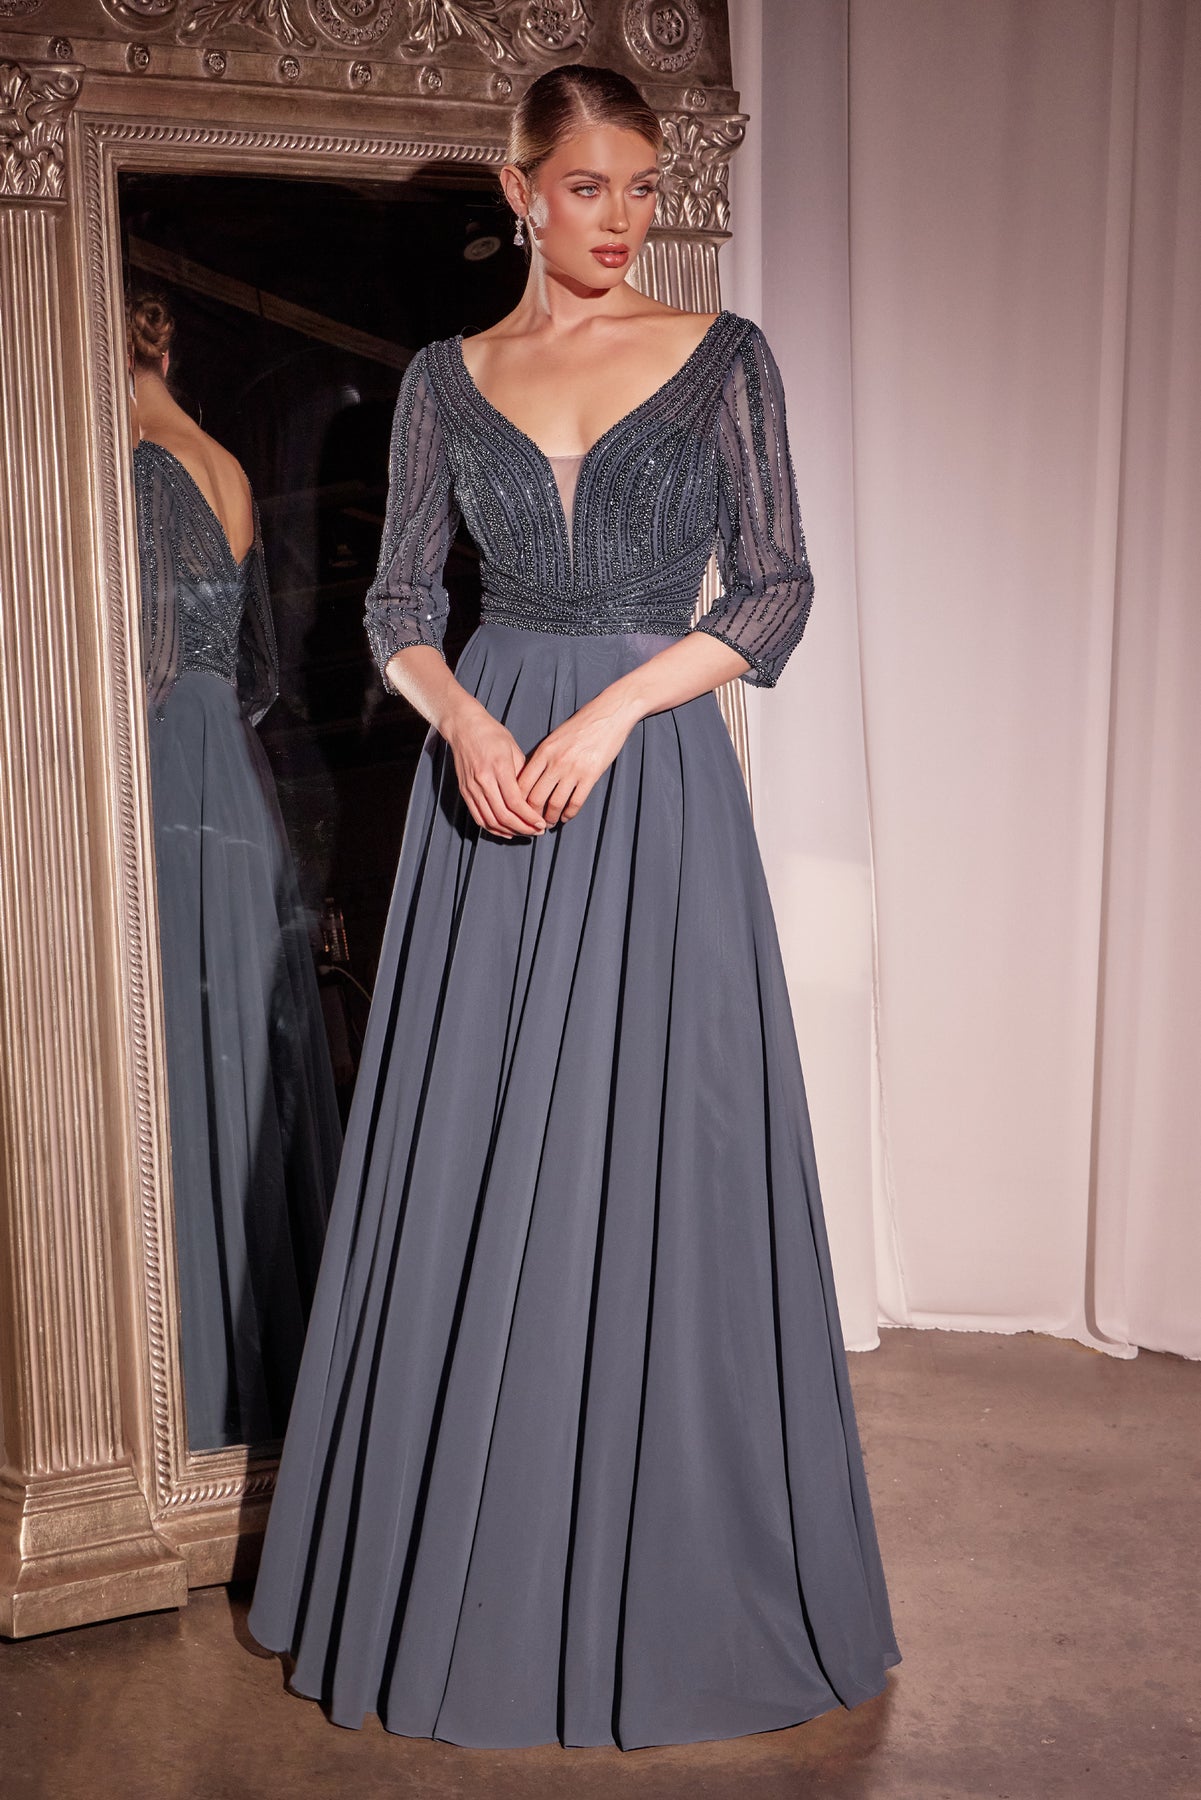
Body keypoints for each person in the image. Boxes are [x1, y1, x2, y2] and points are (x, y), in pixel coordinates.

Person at [248, 64, 900, 1747]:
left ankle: (673, 1566)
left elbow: (775, 588)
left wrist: (609, 713)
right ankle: (472, 1560)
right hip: (487, 794)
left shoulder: (722, 356)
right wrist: (467, 725)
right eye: (590, 186)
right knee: (478, 1153)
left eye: (643, 187)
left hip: (649, 781)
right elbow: (396, 601)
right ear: (519, 189)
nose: (623, 220)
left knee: (664, 1147)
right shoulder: (442, 378)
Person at [129, 294, 342, 1450]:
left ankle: (191, 1394)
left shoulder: (133, 465)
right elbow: (254, 672)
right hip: (235, 779)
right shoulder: (226, 466)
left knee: (175, 1064)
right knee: (236, 1066)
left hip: (167, 768)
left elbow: (142, 657)